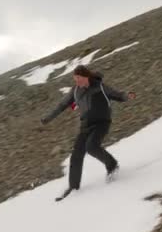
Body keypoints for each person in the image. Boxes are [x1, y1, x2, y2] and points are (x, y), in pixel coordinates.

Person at [41, 65, 136, 201]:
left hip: (102, 122)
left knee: (91, 146)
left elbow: (118, 95)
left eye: (79, 78)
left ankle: (112, 165)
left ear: (86, 77)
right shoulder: (75, 91)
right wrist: (48, 117)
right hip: (86, 125)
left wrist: (128, 95)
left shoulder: (101, 86)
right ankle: (73, 186)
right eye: (75, 79)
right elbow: (62, 105)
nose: (77, 82)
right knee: (76, 155)